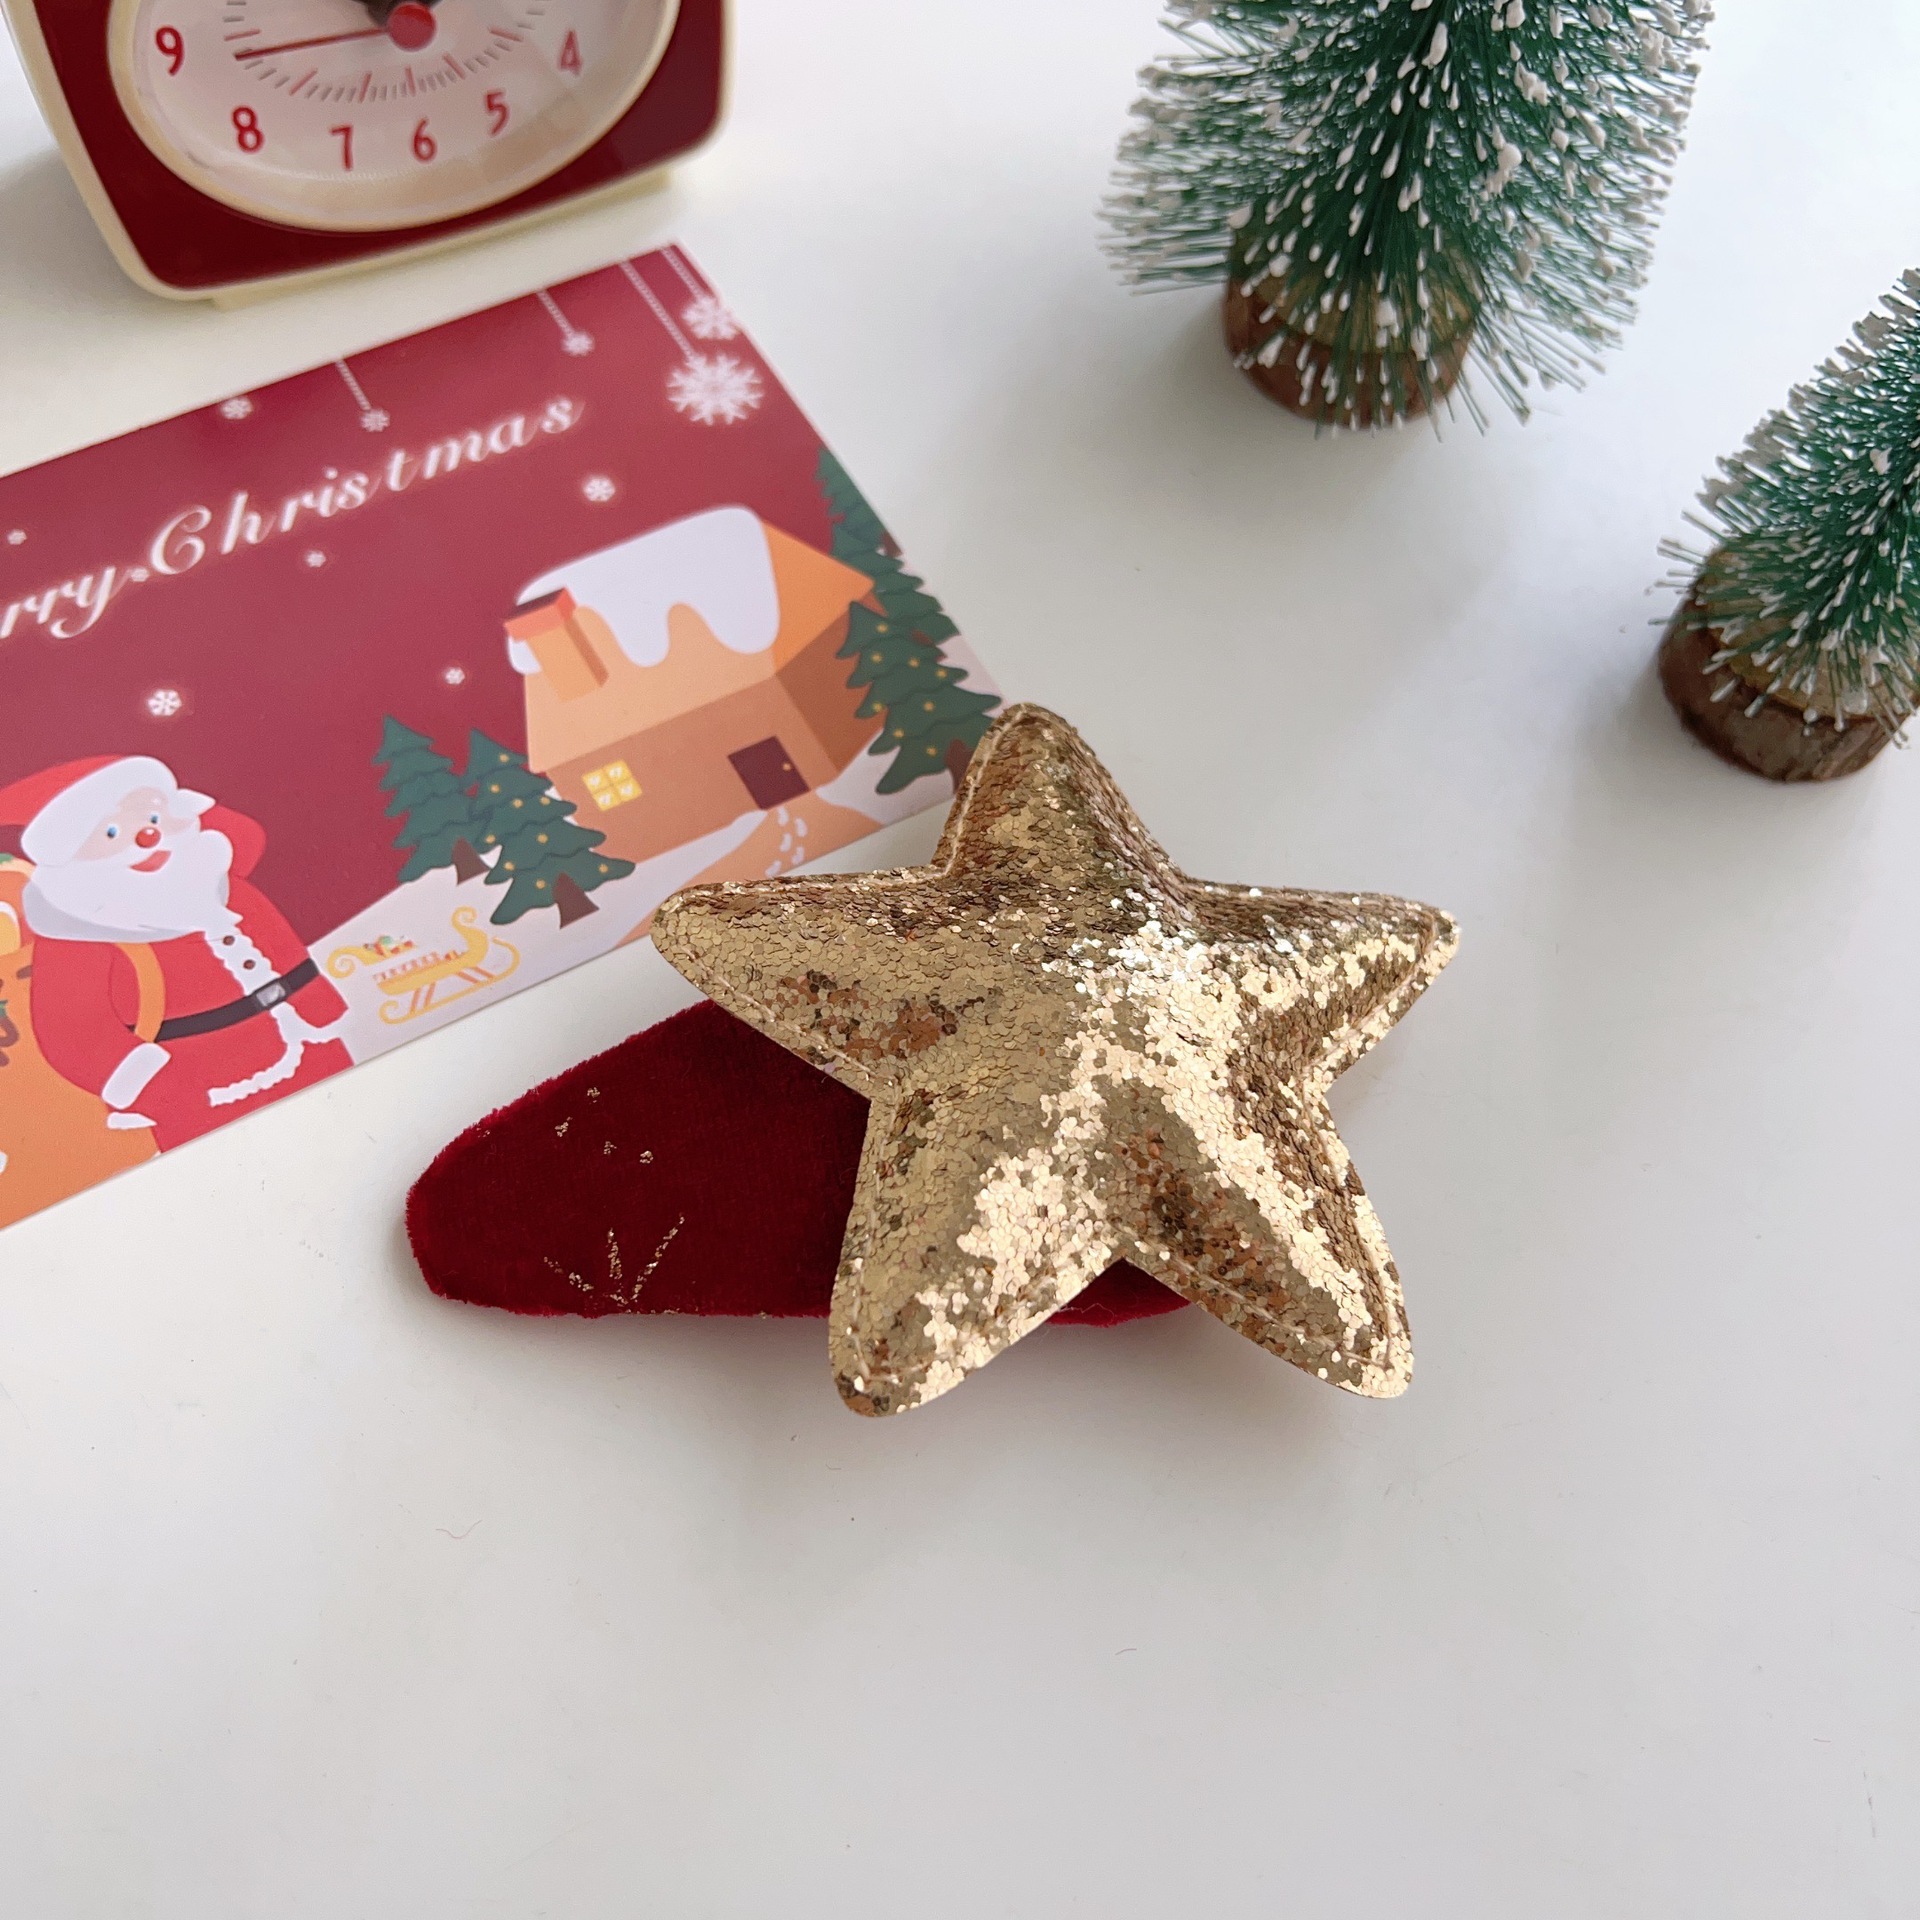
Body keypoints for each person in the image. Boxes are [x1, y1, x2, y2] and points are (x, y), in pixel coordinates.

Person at [0, 755, 350, 1151]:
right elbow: (74, 1035)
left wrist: (316, 1005)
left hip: (310, 1047)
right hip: (202, 1090)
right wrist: (161, 1091)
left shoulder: (211, 881)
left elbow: (276, 938)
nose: (147, 837)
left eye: (153, 818)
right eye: (112, 833)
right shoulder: (77, 938)